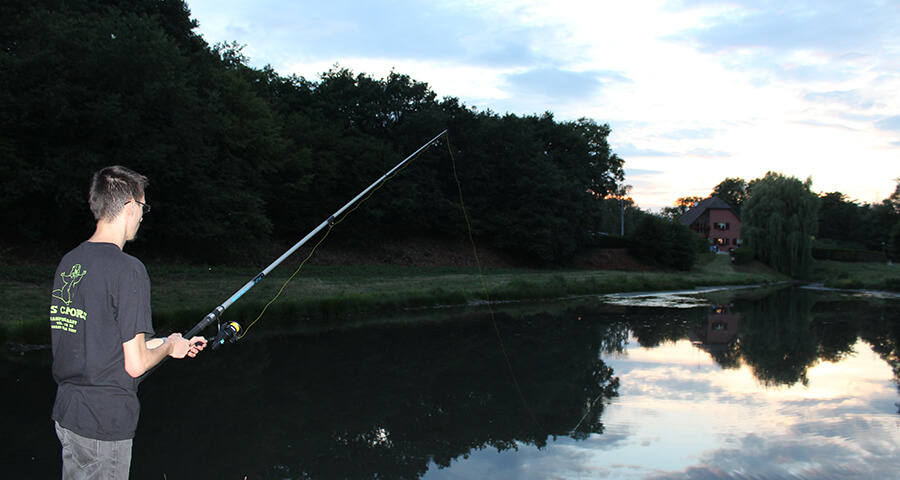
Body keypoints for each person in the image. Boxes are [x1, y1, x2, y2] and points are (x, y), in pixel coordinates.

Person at [50, 165, 207, 479]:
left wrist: (169, 343)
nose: (143, 215)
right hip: (105, 423)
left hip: (69, 415)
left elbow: (103, 342)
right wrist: (166, 349)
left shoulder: (71, 261)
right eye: (143, 207)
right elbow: (135, 365)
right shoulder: (128, 269)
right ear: (130, 207)